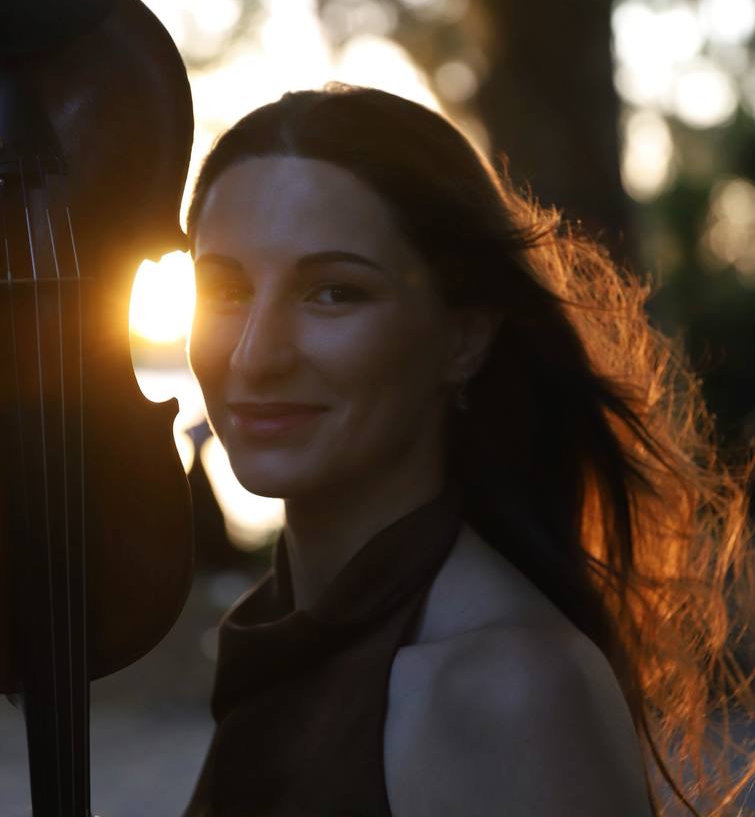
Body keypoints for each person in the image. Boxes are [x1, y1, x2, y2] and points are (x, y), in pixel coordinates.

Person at [182, 84, 753, 817]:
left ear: (464, 337)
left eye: (333, 293)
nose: (255, 356)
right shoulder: (288, 634)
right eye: (224, 289)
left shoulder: (503, 689)